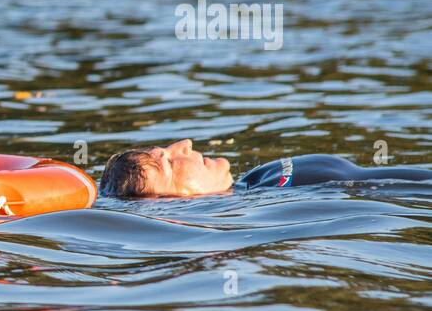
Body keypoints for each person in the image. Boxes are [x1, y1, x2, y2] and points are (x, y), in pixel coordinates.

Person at [98, 139, 432, 198]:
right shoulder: (264, 199)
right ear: (176, 200)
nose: (183, 144)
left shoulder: (253, 184)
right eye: (168, 160)